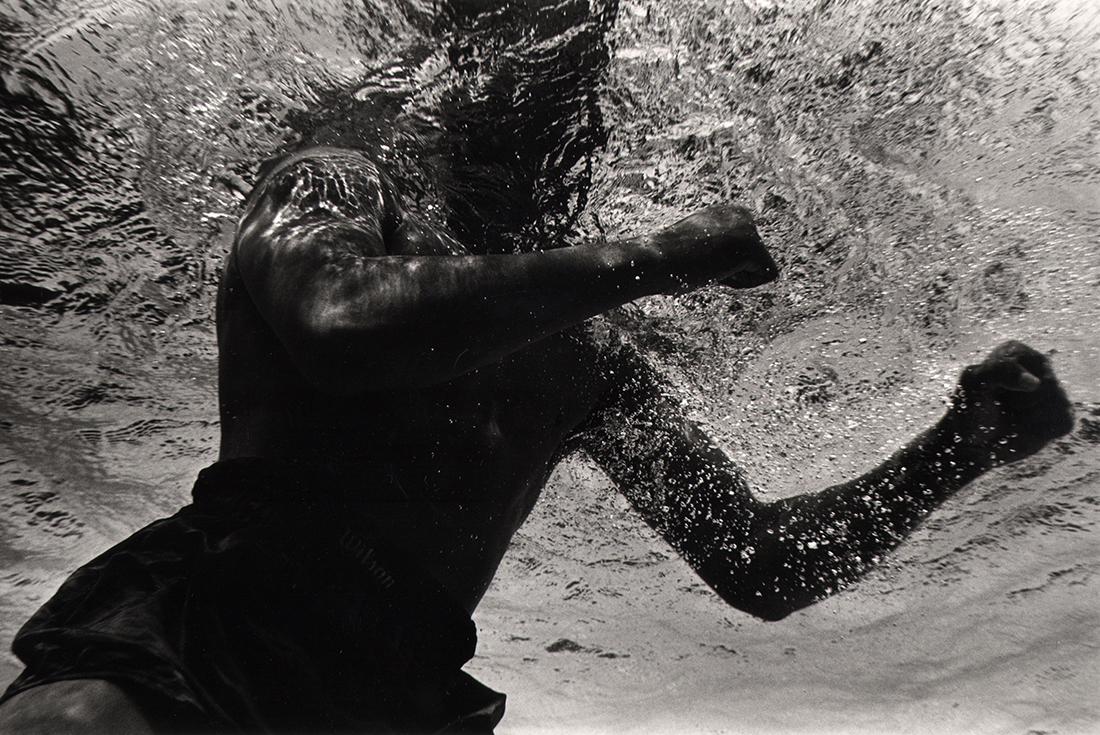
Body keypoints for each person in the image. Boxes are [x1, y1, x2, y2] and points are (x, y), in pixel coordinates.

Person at [0, 4, 1075, 734]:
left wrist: (957, 447)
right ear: (447, 92)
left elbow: (754, 562)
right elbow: (340, 326)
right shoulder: (334, 184)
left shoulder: (586, 361)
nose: (545, 122)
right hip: (210, 616)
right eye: (519, 90)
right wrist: (653, 261)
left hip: (396, 689)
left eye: (570, 101)